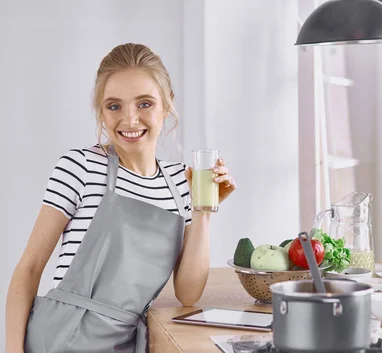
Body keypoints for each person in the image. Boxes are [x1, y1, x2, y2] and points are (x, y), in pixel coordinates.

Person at [5, 43, 236, 353]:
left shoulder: (182, 181)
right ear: (101, 111)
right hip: (61, 338)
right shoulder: (81, 167)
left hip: (125, 344)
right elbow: (30, 267)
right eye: (114, 106)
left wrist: (203, 209)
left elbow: (188, 293)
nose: (129, 119)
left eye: (144, 103)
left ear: (166, 107)